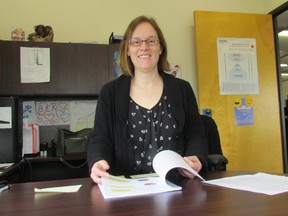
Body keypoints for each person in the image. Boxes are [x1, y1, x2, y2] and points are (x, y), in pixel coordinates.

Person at [88, 15, 208, 184]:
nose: (144, 47)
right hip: (126, 189)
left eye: (151, 41)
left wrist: (197, 158)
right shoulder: (110, 92)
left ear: (160, 48)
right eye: (136, 42)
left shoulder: (182, 89)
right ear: (127, 50)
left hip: (176, 186)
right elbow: (100, 139)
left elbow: (196, 135)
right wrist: (97, 161)